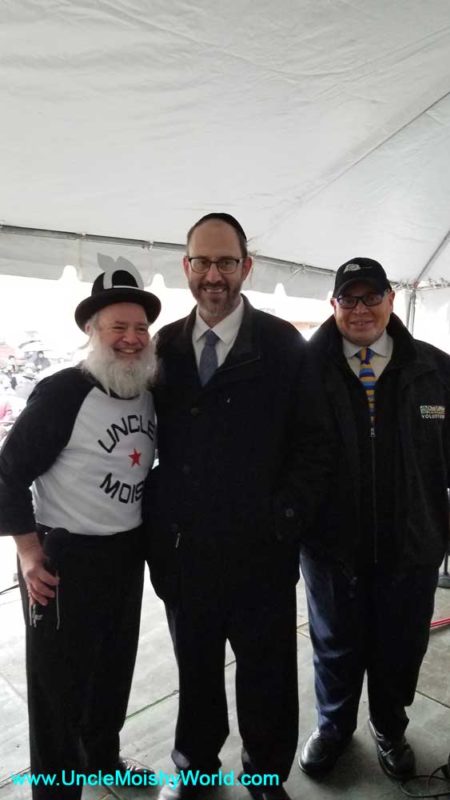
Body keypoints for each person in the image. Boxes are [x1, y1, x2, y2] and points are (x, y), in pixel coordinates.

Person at [145, 212, 331, 800]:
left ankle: (264, 773)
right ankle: (196, 768)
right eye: (202, 261)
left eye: (226, 262)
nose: (214, 275)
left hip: (260, 553)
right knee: (195, 670)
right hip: (186, 551)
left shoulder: (282, 345)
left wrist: (285, 519)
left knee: (267, 673)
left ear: (246, 267)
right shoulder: (166, 345)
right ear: (186, 267)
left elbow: (315, 444)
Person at [0, 266, 161, 800]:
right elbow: (7, 471)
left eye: (139, 328)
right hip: (63, 557)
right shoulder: (64, 392)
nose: (131, 339)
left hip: (124, 551)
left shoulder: (142, 388)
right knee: (56, 691)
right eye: (118, 327)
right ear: (92, 331)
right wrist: (27, 552)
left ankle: (103, 759)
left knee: (113, 669)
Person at [298, 257, 450, 781]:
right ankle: (334, 727)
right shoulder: (304, 371)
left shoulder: (435, 369)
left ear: (390, 299)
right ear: (334, 305)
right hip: (331, 547)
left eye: (371, 297)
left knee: (401, 645)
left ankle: (390, 726)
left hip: (412, 545)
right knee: (334, 644)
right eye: (349, 298)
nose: (360, 308)